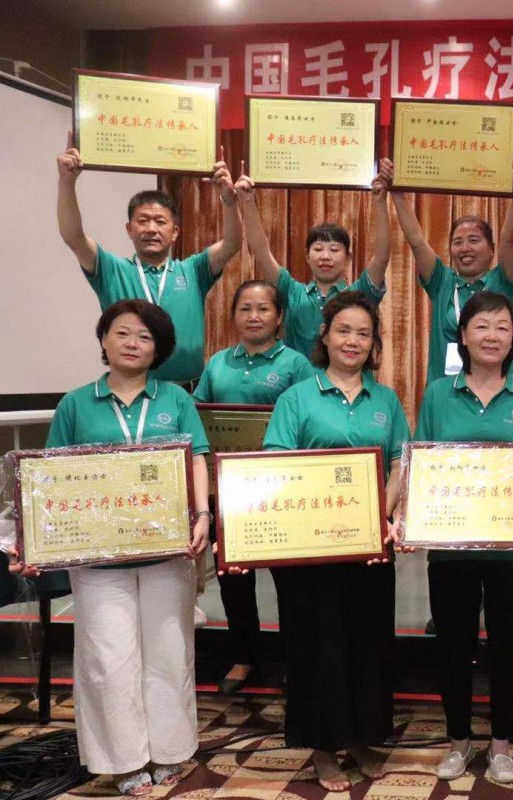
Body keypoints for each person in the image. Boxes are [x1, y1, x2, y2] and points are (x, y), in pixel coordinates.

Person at [10, 299, 211, 795]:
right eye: (122, 333)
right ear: (103, 339)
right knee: (108, 656)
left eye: (145, 337)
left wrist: (203, 515)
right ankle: (122, 761)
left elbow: (197, 459)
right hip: (98, 557)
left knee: (170, 652)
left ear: (159, 348)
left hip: (167, 552)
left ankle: (170, 750)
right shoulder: (76, 404)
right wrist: (34, 541)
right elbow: (47, 479)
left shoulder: (175, 400)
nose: (132, 343)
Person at [261, 291, 409, 792]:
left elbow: (399, 463)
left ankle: (363, 738)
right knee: (317, 645)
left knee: (369, 643)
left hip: (370, 544)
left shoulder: (385, 400)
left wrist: (381, 514)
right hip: (312, 551)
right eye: (344, 330)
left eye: (363, 333)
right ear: (324, 336)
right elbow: (277, 464)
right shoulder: (297, 398)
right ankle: (323, 748)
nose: (353, 341)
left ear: (374, 343)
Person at [413, 291, 513, 785]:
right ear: (463, 334)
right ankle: (458, 741)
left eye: (502, 327)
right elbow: (422, 463)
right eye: (481, 326)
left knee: (508, 646)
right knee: (453, 645)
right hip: (450, 547)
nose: (492, 336)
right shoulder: (438, 394)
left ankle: (501, 745)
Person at [193, 280, 315, 693]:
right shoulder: (217, 364)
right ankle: (244, 656)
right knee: (234, 577)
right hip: (228, 492)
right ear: (233, 316)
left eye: (263, 309)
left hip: (281, 490)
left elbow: (308, 418)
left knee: (291, 582)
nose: (254, 316)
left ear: (279, 317)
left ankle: (296, 658)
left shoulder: (297, 363)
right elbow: (200, 419)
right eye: (245, 308)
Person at [56, 136, 243, 386]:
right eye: (143, 221)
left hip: (189, 391)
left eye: (160, 222)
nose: (151, 229)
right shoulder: (112, 270)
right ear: (129, 229)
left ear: (174, 232)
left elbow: (232, 244)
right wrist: (67, 182)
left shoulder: (193, 270)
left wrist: (229, 200)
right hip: (132, 389)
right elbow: (74, 237)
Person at [235, 159, 394, 360]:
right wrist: (247, 201)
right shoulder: (292, 292)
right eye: (318, 249)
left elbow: (381, 257)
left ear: (348, 258)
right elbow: (261, 252)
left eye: (334, 250)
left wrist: (380, 202)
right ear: (307, 256)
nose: (325, 256)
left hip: (350, 378)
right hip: (298, 379)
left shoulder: (359, 293)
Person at [394, 159, 513, 382]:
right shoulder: (442, 282)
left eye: (474, 240)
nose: (465, 248)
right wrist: (396, 192)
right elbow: (416, 240)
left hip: (500, 390)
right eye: (457, 242)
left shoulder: (503, 281)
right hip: (447, 391)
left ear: (491, 249)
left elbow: (509, 238)